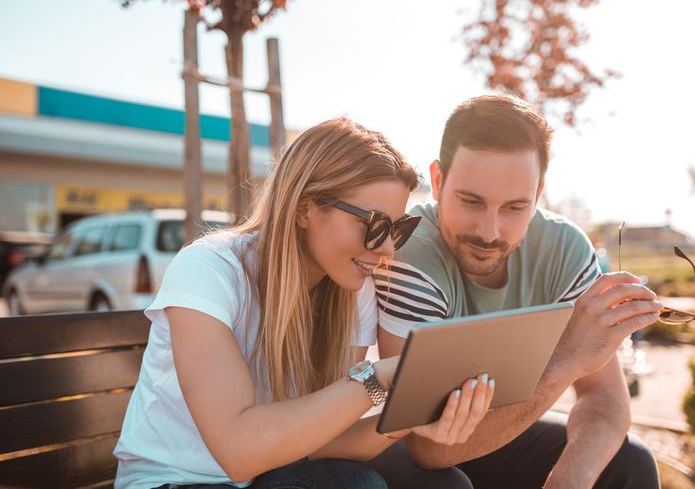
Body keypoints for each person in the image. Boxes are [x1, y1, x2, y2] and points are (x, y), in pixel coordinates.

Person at [113, 118, 494, 489]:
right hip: (180, 480)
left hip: (274, 471)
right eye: (374, 225)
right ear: (304, 208)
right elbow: (238, 451)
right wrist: (381, 376)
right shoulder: (209, 270)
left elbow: (324, 443)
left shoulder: (351, 288)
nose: (388, 249)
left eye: (397, 229)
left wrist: (408, 416)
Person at [372, 95, 664, 488]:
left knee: (630, 462)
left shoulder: (563, 248)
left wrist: (569, 480)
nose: (489, 232)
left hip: (494, 428)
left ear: (539, 191)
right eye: (471, 201)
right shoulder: (410, 253)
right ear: (438, 182)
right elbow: (432, 449)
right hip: (399, 443)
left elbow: (605, 398)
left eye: (514, 207)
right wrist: (566, 360)